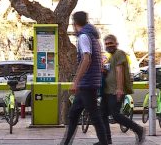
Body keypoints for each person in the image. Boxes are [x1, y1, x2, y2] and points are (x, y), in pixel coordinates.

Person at [61, 11, 108, 145]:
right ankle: (66, 142)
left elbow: (86, 59)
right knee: (73, 114)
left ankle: (104, 142)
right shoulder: (94, 38)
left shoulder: (83, 37)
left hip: (87, 83)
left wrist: (76, 81)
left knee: (94, 115)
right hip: (89, 82)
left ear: (74, 23)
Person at [95, 34, 145, 145]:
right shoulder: (111, 57)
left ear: (116, 43)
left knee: (116, 115)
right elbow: (112, 71)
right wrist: (104, 71)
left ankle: (138, 129)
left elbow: (119, 71)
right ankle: (106, 140)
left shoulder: (119, 54)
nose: (109, 45)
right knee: (102, 114)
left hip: (115, 91)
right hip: (107, 91)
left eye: (111, 43)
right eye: (107, 44)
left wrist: (119, 89)